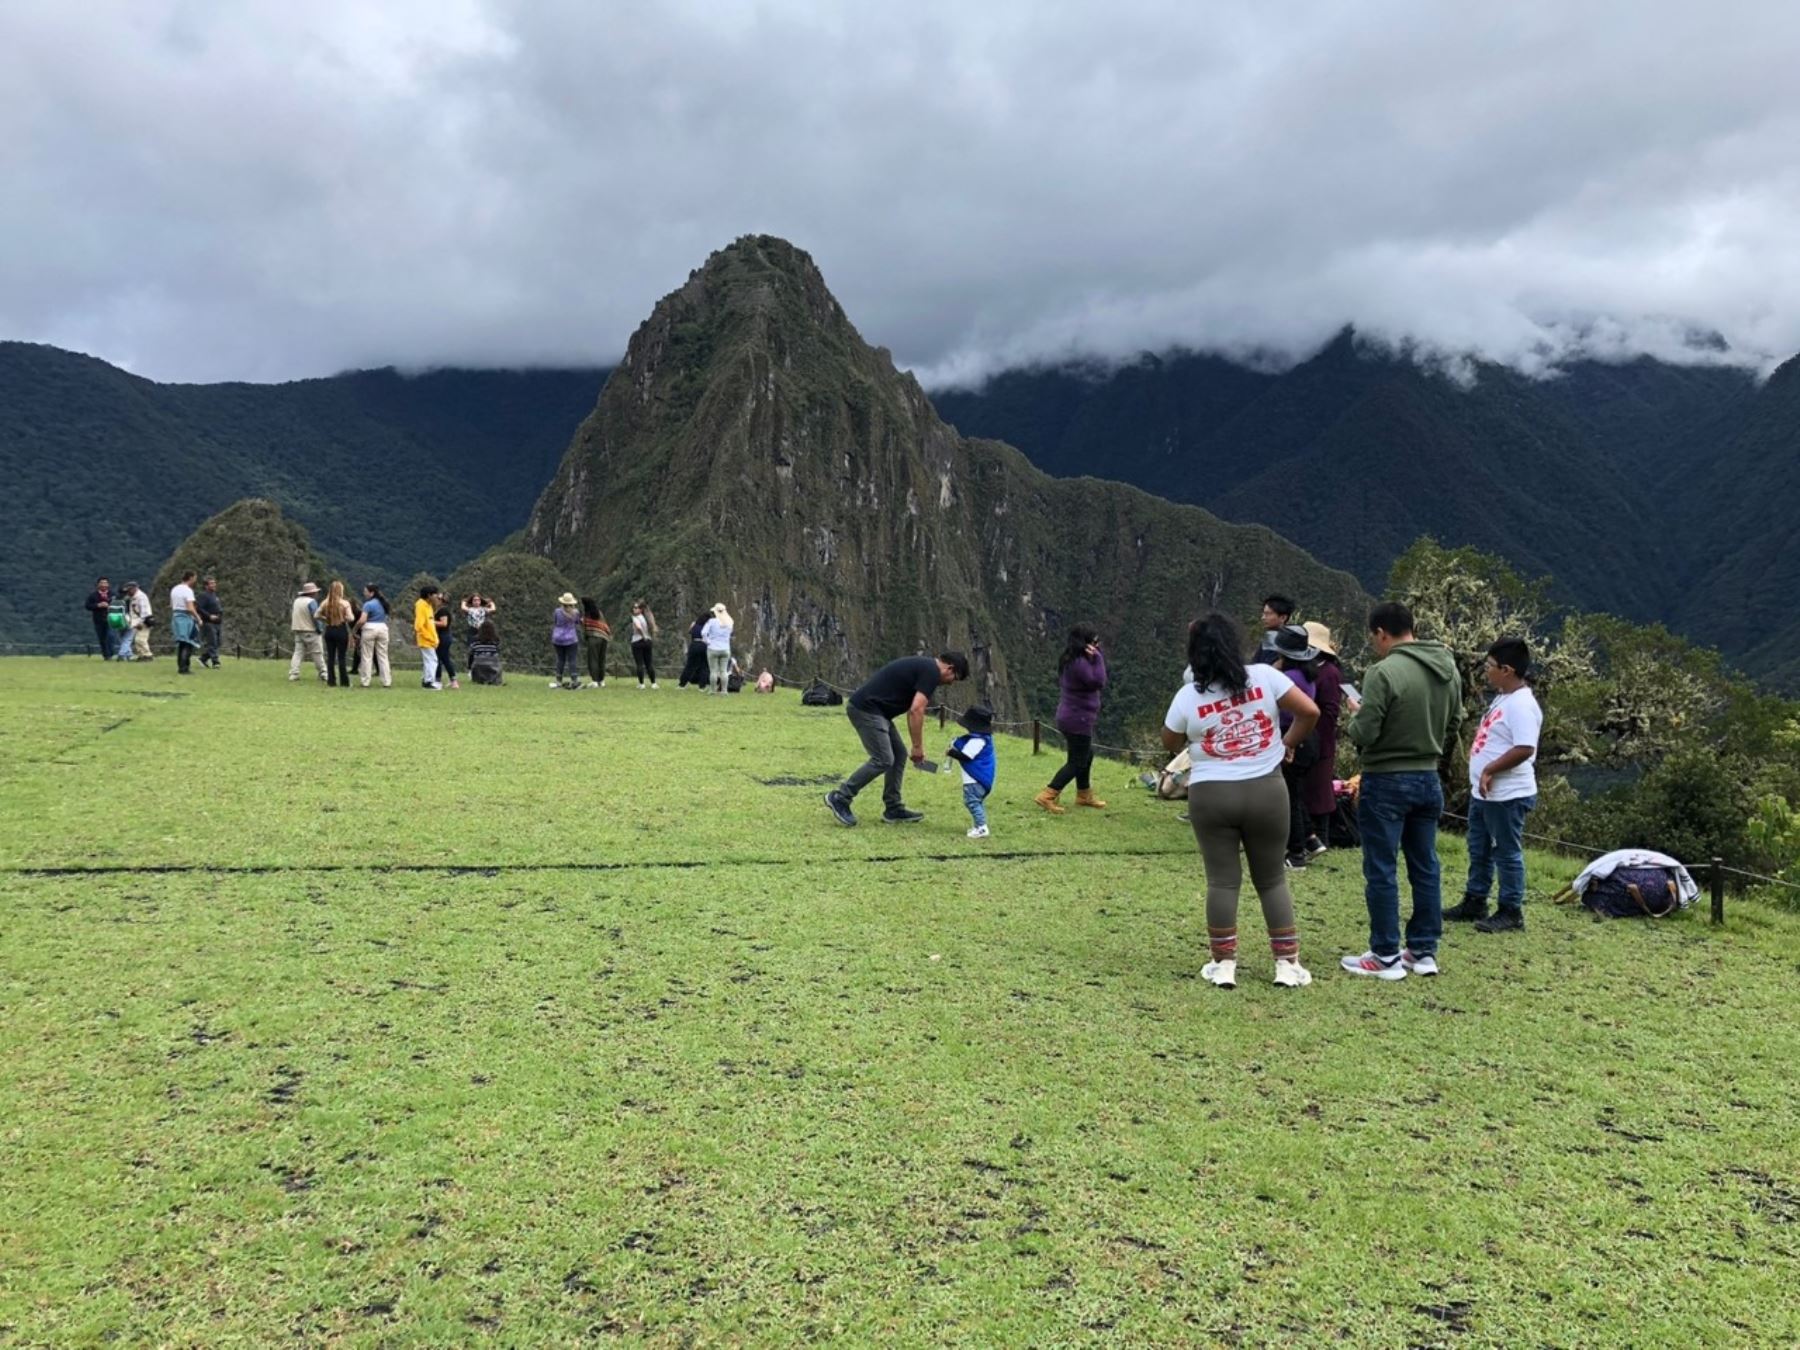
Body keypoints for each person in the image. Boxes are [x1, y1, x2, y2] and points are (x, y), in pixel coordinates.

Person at [1163, 614, 1320, 989]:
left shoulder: (1188, 696)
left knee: (1222, 881)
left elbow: (1170, 742)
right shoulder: (1265, 677)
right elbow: (1309, 712)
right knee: (1271, 879)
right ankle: (1286, 964)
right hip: (1266, 789)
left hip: (1211, 794)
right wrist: (1286, 744)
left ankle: (1224, 963)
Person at [1340, 601, 1461, 981]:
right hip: (1428, 778)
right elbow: (1455, 723)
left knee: (1381, 868)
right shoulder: (1448, 669)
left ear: (1381, 633)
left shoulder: (1383, 672)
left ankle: (1385, 954)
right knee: (1425, 866)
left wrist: (1354, 714)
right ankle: (1423, 951)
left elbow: (1366, 732)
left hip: (1386, 778)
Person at [1448, 636, 1543, 934]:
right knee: (1479, 848)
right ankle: (1475, 899)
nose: (1485, 672)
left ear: (1507, 669)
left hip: (1508, 794)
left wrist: (1490, 768)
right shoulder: (1504, 696)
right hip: (1486, 793)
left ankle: (1511, 910)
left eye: (1490, 666)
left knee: (1506, 851)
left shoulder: (1523, 704)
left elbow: (1525, 747)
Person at [824, 650, 969, 827]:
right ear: (950, 668)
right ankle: (841, 797)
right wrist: (917, 746)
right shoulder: (931, 671)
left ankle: (893, 808)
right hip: (866, 709)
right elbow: (916, 710)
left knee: (898, 755)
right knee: (883, 759)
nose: (951, 683)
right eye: (955, 678)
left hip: (879, 712)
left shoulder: (926, 667)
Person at [1268, 624, 1324, 868]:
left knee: (1287, 797)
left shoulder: (1286, 679)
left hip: (1290, 737)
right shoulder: (1307, 674)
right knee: (1294, 791)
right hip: (1309, 738)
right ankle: (1311, 839)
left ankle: (1296, 853)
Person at [1038, 625, 1109, 815]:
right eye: (1095, 643)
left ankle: (1084, 794)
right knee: (1077, 761)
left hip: (1073, 716)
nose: (1098, 646)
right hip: (1078, 718)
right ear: (1086, 645)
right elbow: (1099, 681)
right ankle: (1047, 795)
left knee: (1086, 755)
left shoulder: (1072, 659)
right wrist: (1099, 658)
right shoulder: (1079, 663)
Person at [1300, 621, 1345, 852]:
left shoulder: (1328, 673)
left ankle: (1323, 837)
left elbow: (1329, 712)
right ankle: (1313, 837)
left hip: (1319, 741)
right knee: (1310, 790)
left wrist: (1314, 738)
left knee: (1320, 792)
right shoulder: (1312, 669)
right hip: (1308, 739)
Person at [948, 704, 998, 839]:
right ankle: (978, 825)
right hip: (977, 780)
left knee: (972, 802)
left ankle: (982, 827)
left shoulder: (978, 740)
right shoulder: (983, 738)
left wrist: (951, 752)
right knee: (976, 802)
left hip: (975, 780)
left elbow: (967, 756)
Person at [318, 581, 356, 688]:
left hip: (329, 629)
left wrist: (326, 619)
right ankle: (344, 681)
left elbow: (316, 615)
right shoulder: (344, 603)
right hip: (340, 629)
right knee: (341, 657)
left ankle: (331, 681)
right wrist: (343, 617)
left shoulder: (325, 603)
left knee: (330, 657)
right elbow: (351, 618)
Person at [355, 583, 393, 688]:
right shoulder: (383, 603)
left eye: (365, 591)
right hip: (383, 628)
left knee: (367, 656)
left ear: (371, 593)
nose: (364, 593)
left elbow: (362, 620)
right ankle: (386, 681)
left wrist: (355, 629)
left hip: (370, 628)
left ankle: (365, 681)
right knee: (383, 656)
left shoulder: (368, 604)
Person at [288, 582, 326, 682]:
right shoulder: (311, 602)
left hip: (298, 630)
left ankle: (294, 673)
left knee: (298, 653)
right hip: (310, 630)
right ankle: (323, 672)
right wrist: (320, 629)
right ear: (312, 593)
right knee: (317, 653)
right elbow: (315, 617)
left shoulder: (296, 601)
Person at [169, 570, 201, 675]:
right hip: (185, 617)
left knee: (181, 643)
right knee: (188, 643)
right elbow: (190, 607)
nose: (195, 580)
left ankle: (181, 666)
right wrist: (198, 617)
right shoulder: (188, 591)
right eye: (195, 578)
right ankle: (184, 668)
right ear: (191, 578)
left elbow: (171, 605)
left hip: (176, 616)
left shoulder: (175, 589)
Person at [414, 585, 443, 691]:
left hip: (430, 639)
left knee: (428, 660)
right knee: (432, 660)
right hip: (426, 639)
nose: (437, 597)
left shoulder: (428, 605)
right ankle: (429, 682)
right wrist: (429, 637)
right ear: (429, 595)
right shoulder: (421, 606)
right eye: (435, 594)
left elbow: (430, 623)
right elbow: (419, 626)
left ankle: (427, 680)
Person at [551, 592, 582, 689]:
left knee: (560, 659)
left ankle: (558, 680)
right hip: (571, 638)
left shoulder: (557, 612)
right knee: (572, 659)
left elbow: (555, 621)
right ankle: (574, 679)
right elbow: (577, 622)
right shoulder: (575, 612)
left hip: (558, 638)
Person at [702, 603, 734, 694]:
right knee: (724, 670)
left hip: (713, 648)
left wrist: (707, 641)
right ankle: (724, 690)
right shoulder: (730, 622)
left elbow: (703, 632)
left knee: (713, 671)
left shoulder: (712, 621)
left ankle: (713, 690)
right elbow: (730, 633)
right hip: (725, 648)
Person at [580, 597, 611, 689]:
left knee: (593, 659)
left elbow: (585, 625)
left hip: (593, 637)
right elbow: (604, 625)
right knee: (601, 659)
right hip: (604, 637)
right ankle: (601, 681)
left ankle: (594, 681)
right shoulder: (599, 613)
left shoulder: (587, 614)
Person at [1255, 593, 1295, 664]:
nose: (1263, 618)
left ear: (1283, 618)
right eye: (1263, 614)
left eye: (1268, 614)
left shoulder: (1286, 642)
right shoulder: (1270, 637)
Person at [629, 601, 659, 688]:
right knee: (649, 663)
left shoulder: (635, 618)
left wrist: (643, 635)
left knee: (639, 664)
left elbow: (638, 627)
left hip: (637, 641)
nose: (634, 609)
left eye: (636, 608)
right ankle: (653, 683)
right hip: (648, 642)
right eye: (633, 608)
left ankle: (641, 684)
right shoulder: (646, 618)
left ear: (640, 609)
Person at [433, 594, 460, 690]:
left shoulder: (443, 611)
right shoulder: (439, 610)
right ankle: (451, 680)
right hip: (443, 636)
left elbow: (444, 623)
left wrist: (430, 622)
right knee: (442, 658)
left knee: (442, 659)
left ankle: (441, 680)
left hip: (443, 637)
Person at [196, 577, 224, 668]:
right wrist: (209, 616)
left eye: (214, 583)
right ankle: (215, 662)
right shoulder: (203, 596)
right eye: (211, 583)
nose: (214, 585)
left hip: (217, 622)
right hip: (208, 622)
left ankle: (203, 659)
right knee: (212, 642)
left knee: (218, 643)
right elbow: (199, 608)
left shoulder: (214, 596)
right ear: (206, 586)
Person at [85, 578, 116, 659]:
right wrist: (98, 605)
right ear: (98, 584)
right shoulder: (93, 595)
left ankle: (111, 652)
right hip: (98, 620)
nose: (103, 585)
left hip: (112, 618)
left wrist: (109, 606)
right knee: (102, 638)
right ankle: (106, 655)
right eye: (102, 583)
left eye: (105, 583)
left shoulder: (113, 595)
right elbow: (87, 606)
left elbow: (120, 604)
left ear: (108, 585)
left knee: (111, 635)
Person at [122, 582, 153, 660]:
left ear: (134, 588)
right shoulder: (134, 597)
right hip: (136, 621)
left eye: (129, 590)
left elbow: (144, 611)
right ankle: (141, 655)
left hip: (144, 620)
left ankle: (147, 655)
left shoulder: (141, 597)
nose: (128, 592)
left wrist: (140, 623)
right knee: (137, 640)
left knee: (141, 639)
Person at [461, 593, 497, 659]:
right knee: (471, 649)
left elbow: (493, 609)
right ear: (472, 601)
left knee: (481, 648)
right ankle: (471, 665)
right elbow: (463, 607)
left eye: (478, 600)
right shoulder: (470, 610)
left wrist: (490, 602)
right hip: (472, 630)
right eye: (474, 600)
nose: (476, 602)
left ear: (480, 601)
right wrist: (465, 601)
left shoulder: (483, 609)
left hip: (482, 631)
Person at [468, 618, 503, 685]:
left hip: (478, 668)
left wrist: (469, 668)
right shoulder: (496, 640)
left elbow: (471, 654)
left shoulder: (475, 639)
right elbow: (498, 652)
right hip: (493, 668)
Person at [679, 615, 710, 688]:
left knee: (690, 665)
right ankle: (702, 686)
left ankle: (682, 683)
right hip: (704, 645)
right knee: (704, 666)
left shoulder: (694, 624)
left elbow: (689, 632)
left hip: (694, 644)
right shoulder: (708, 626)